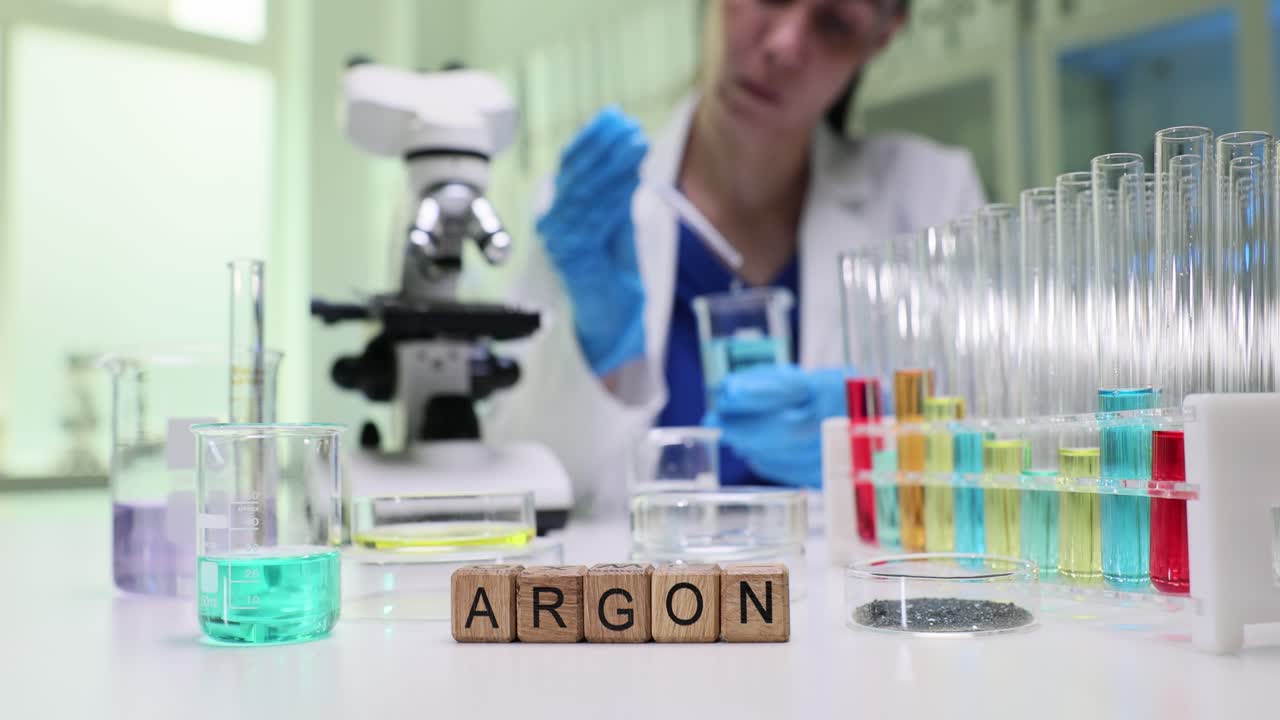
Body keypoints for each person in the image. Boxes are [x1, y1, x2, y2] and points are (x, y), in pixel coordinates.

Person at [489, 0, 985, 506]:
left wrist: (882, 439)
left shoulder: (929, 200)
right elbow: (515, 484)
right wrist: (598, 354)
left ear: (881, 37)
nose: (783, 46)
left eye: (834, 23)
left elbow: (998, 447)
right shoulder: (593, 216)